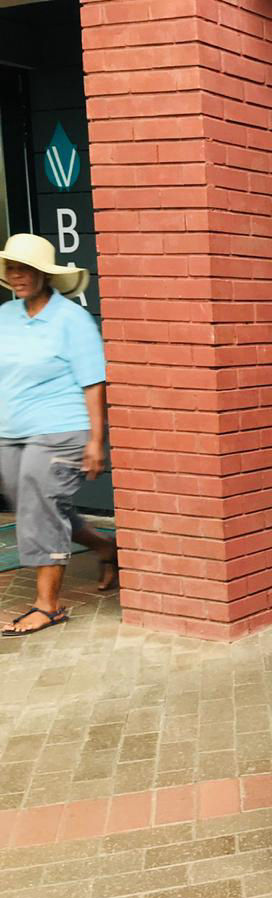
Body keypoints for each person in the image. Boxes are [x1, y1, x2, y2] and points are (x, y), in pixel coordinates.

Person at [0, 234, 118, 636]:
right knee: (35, 505)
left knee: (40, 508)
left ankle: (47, 606)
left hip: (60, 429)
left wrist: (96, 441)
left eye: (26, 269)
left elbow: (93, 382)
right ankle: (105, 547)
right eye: (12, 268)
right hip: (11, 431)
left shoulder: (71, 320)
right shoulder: (6, 316)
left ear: (45, 274)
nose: (18, 275)